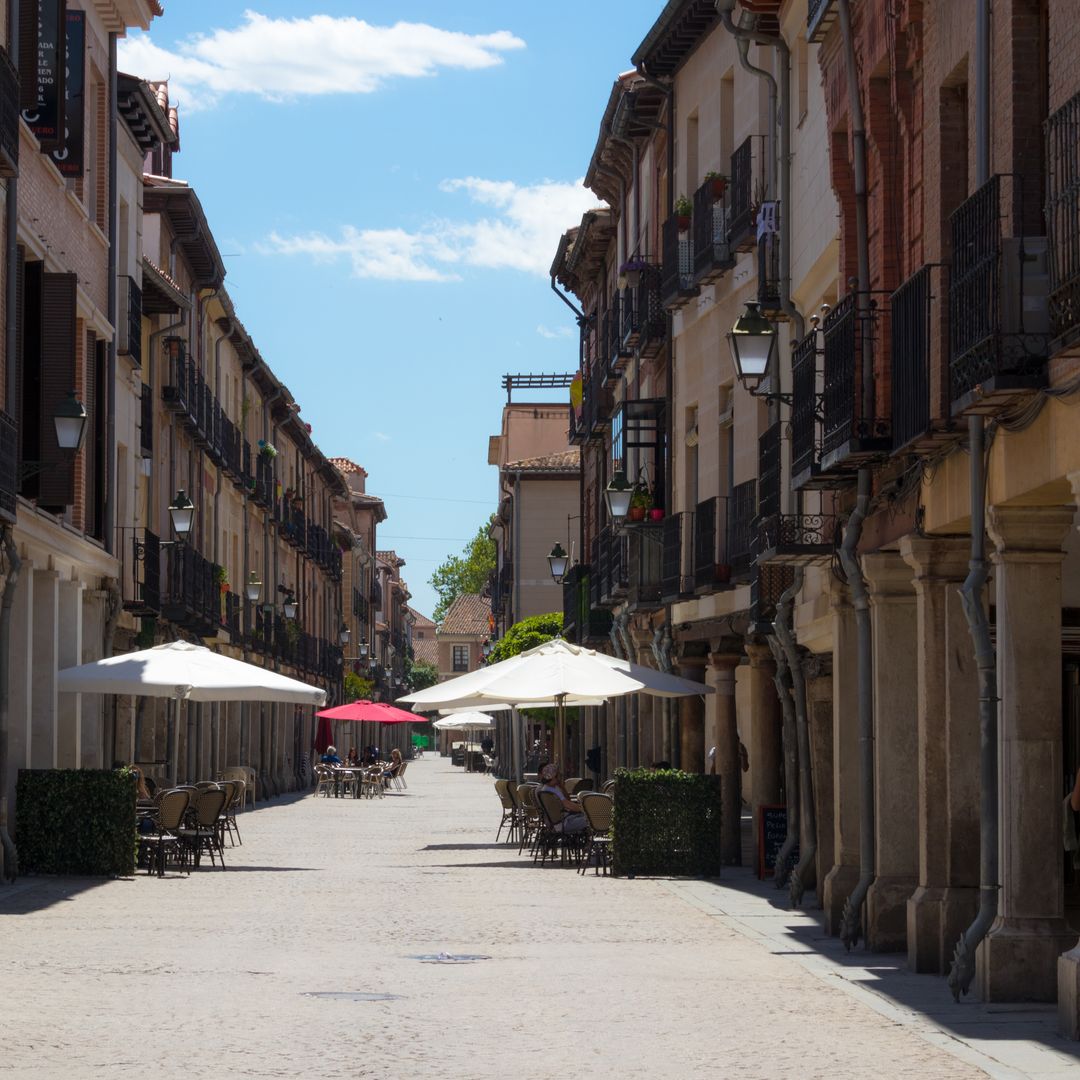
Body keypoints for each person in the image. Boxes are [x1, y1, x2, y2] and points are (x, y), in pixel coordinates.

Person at [538, 763, 587, 834]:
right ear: (554, 777)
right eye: (558, 775)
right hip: (563, 823)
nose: (560, 777)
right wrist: (586, 809)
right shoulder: (553, 791)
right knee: (592, 820)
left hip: (555, 823)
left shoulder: (545, 789)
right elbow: (568, 804)